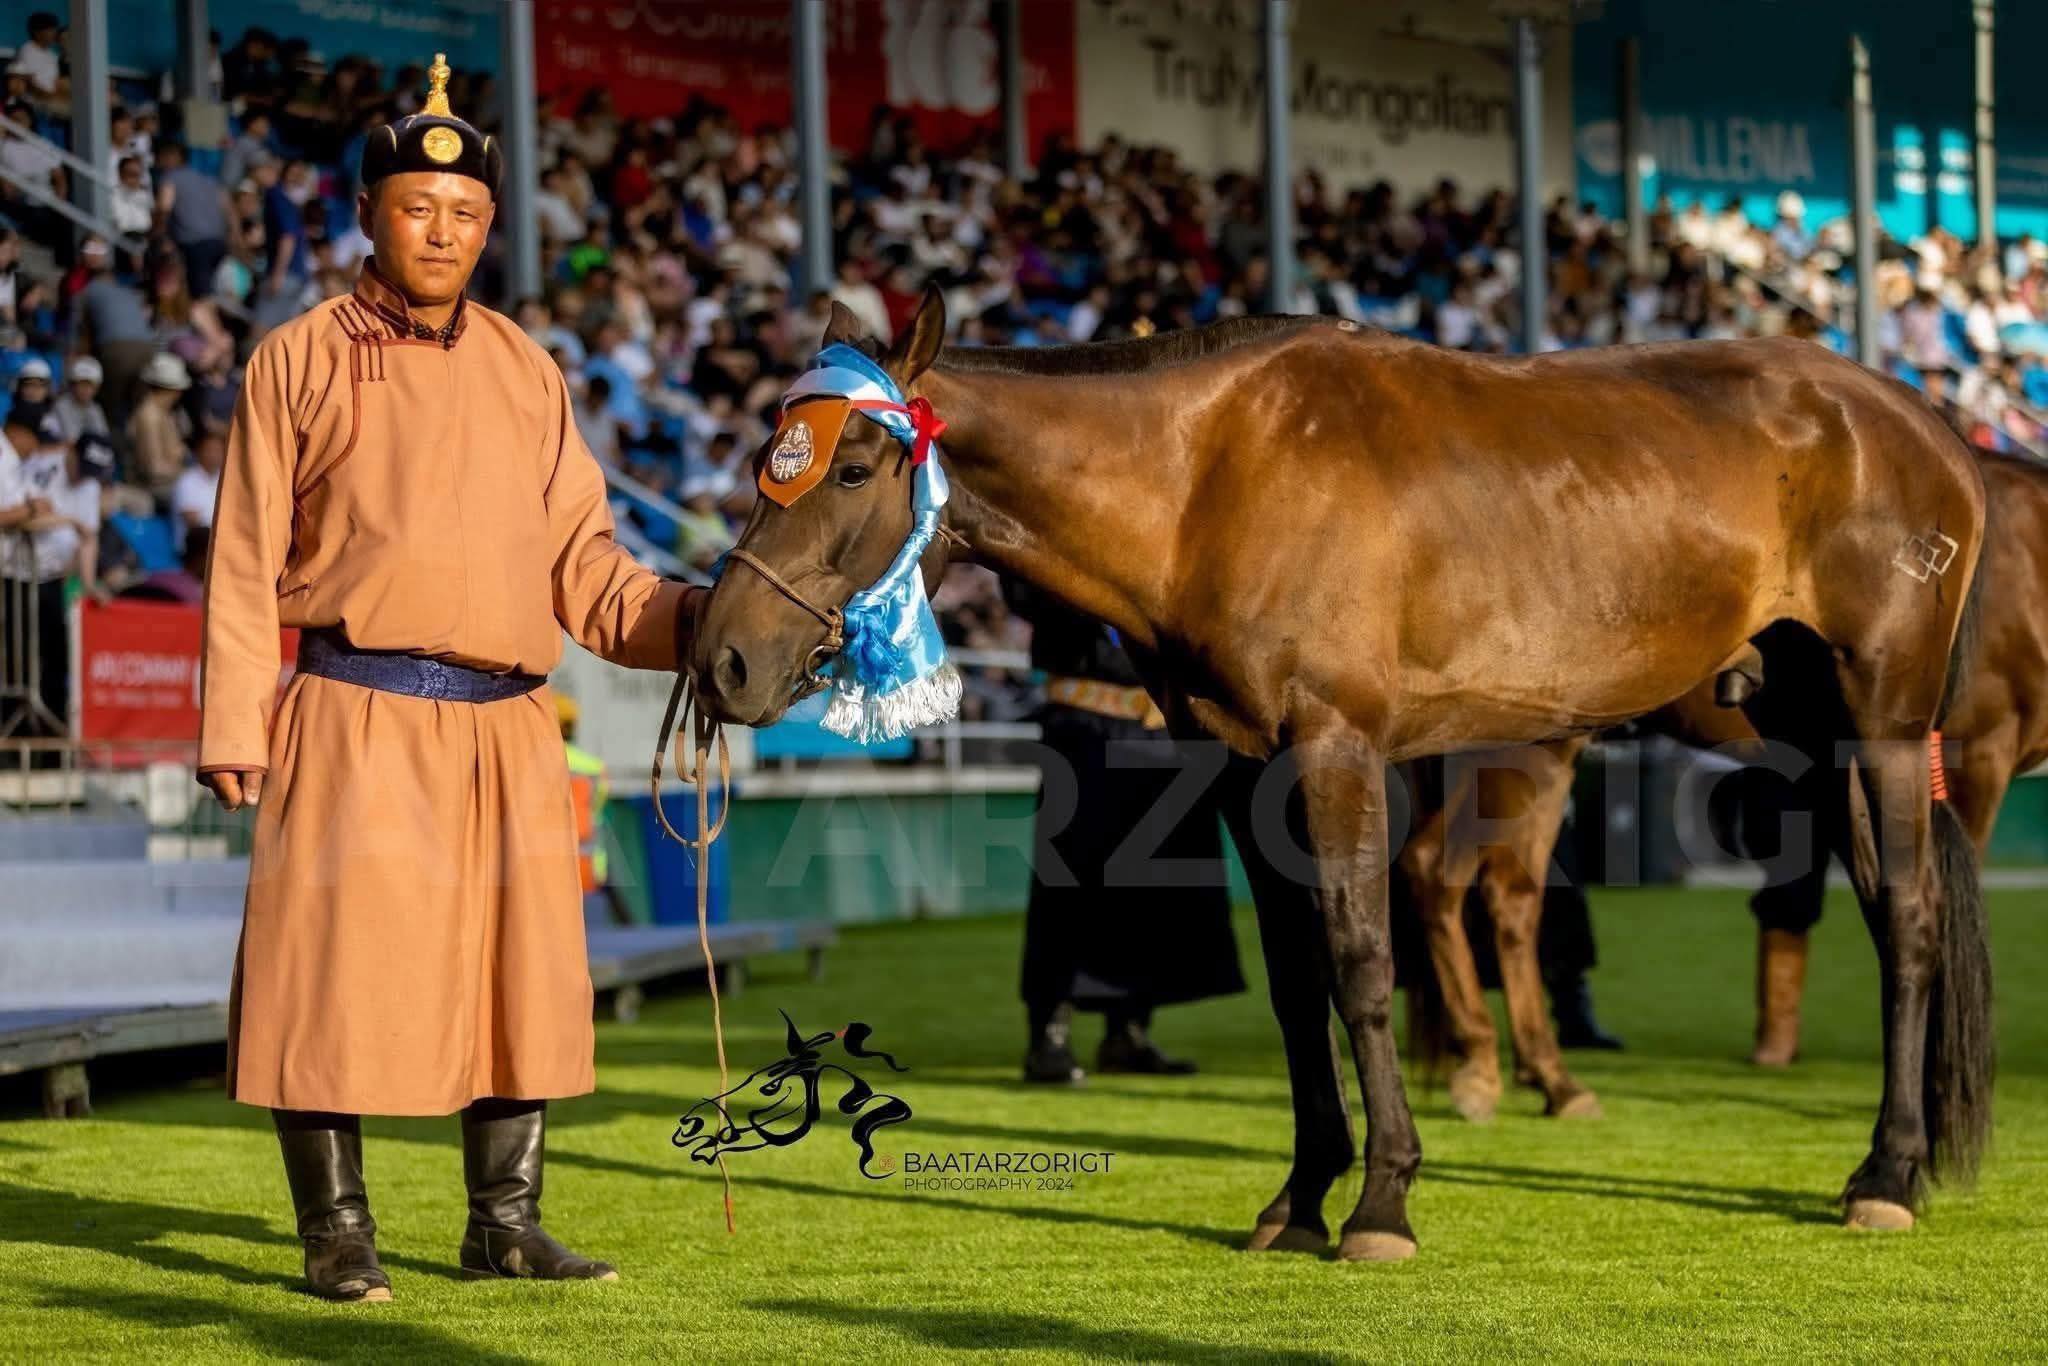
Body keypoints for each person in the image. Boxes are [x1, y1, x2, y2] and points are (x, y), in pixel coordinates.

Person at [196, 56, 702, 1304]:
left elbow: (587, 565)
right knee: (323, 972)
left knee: (516, 977)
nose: (442, 230)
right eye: (417, 208)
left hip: (509, 725)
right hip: (354, 706)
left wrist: (695, 621)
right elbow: (245, 555)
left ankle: (505, 1223)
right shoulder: (295, 358)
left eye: (466, 213)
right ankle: (338, 1232)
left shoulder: (529, 368)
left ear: (488, 226)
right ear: (369, 214)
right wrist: (233, 724)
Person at [1005, 581, 1244, 1083]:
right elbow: (1023, 590)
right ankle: (1048, 1036)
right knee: (1069, 883)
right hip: (1085, 723)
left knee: (1152, 892)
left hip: (1164, 725)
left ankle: (1128, 1031)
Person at [125, 352, 192, 503]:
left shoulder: (164, 413)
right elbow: (154, 470)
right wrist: (189, 474)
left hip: (170, 480)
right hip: (152, 488)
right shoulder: (149, 416)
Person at [53, 354, 109, 444]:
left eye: (89, 385)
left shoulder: (95, 408)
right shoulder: (62, 405)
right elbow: (71, 440)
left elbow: (104, 438)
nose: (85, 390)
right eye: (81, 384)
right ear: (72, 385)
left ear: (97, 388)